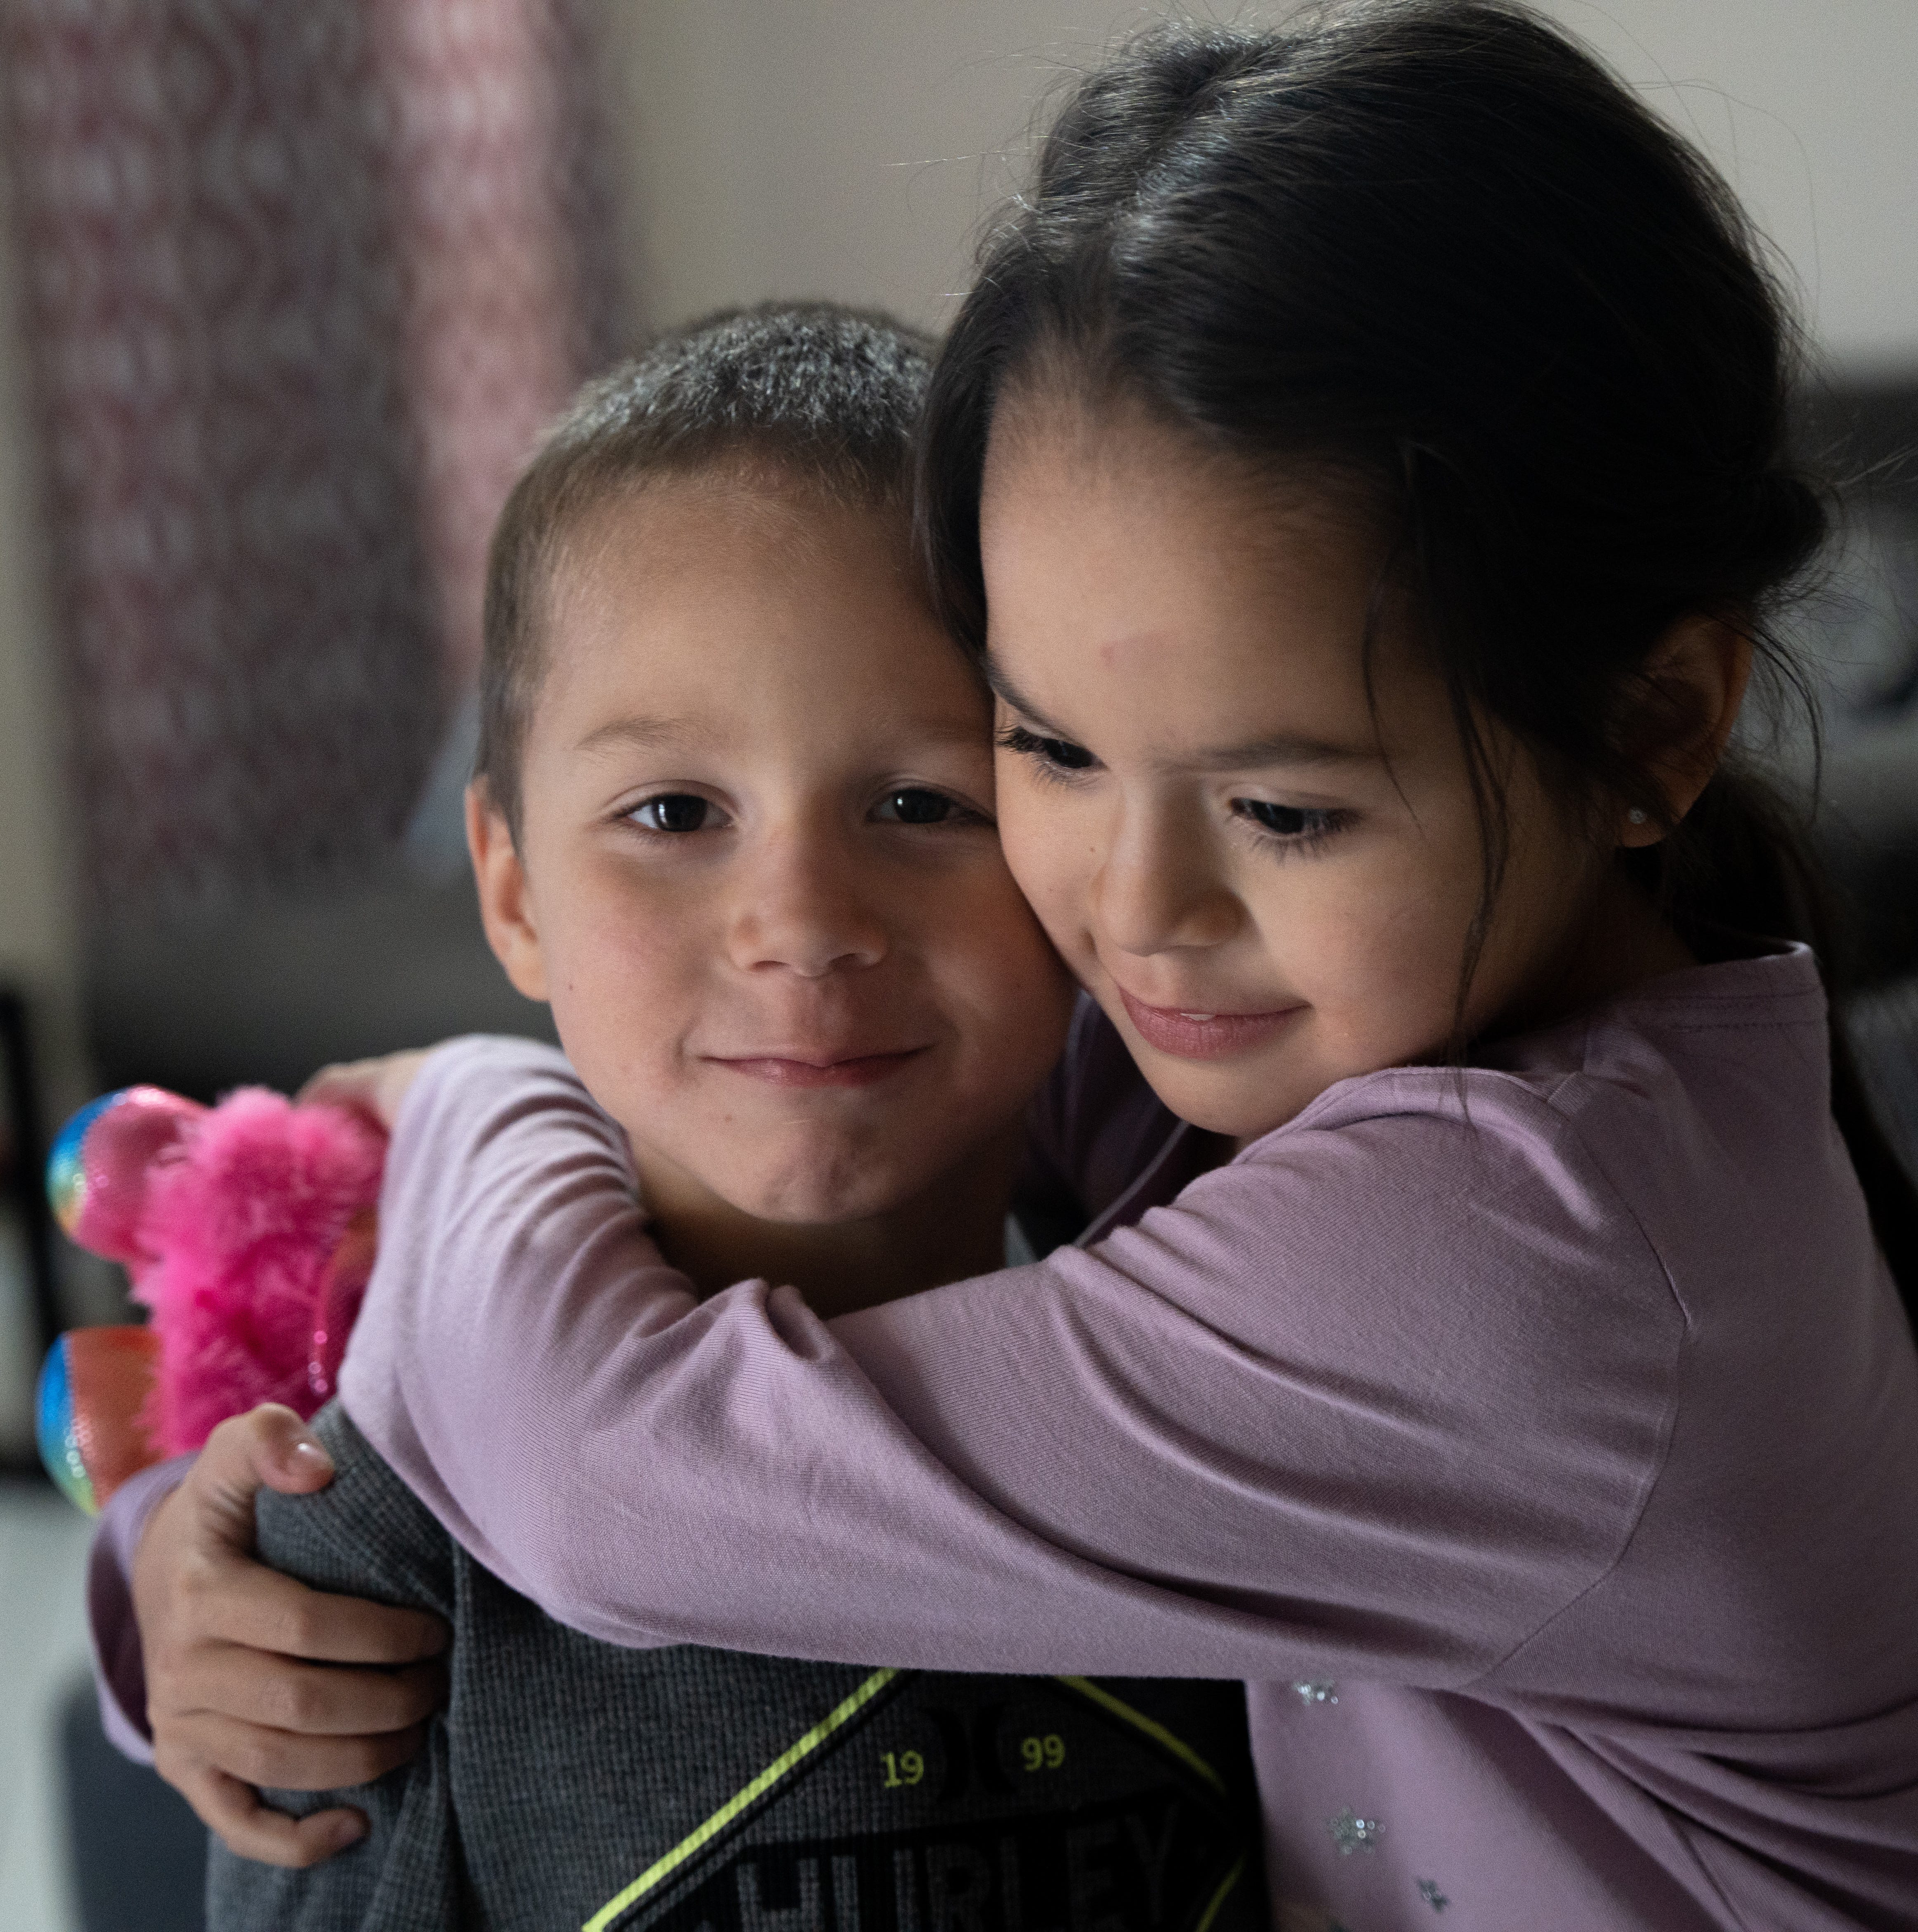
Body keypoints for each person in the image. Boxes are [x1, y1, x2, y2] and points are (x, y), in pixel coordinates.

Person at [122, 5, 1918, 1926]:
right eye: (1041, 745)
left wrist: (495, 1088)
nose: (1129, 910)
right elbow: (793, 1126)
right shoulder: (1321, 1038)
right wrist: (162, 1589)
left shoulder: (1524, 1254)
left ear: (1655, 729)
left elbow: (605, 1470)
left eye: (1287, 805)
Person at [96, 303, 1268, 1931]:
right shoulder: (374, 1533)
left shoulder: (1234, 1376)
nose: (800, 918)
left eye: (926, 803)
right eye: (673, 812)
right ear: (509, 884)